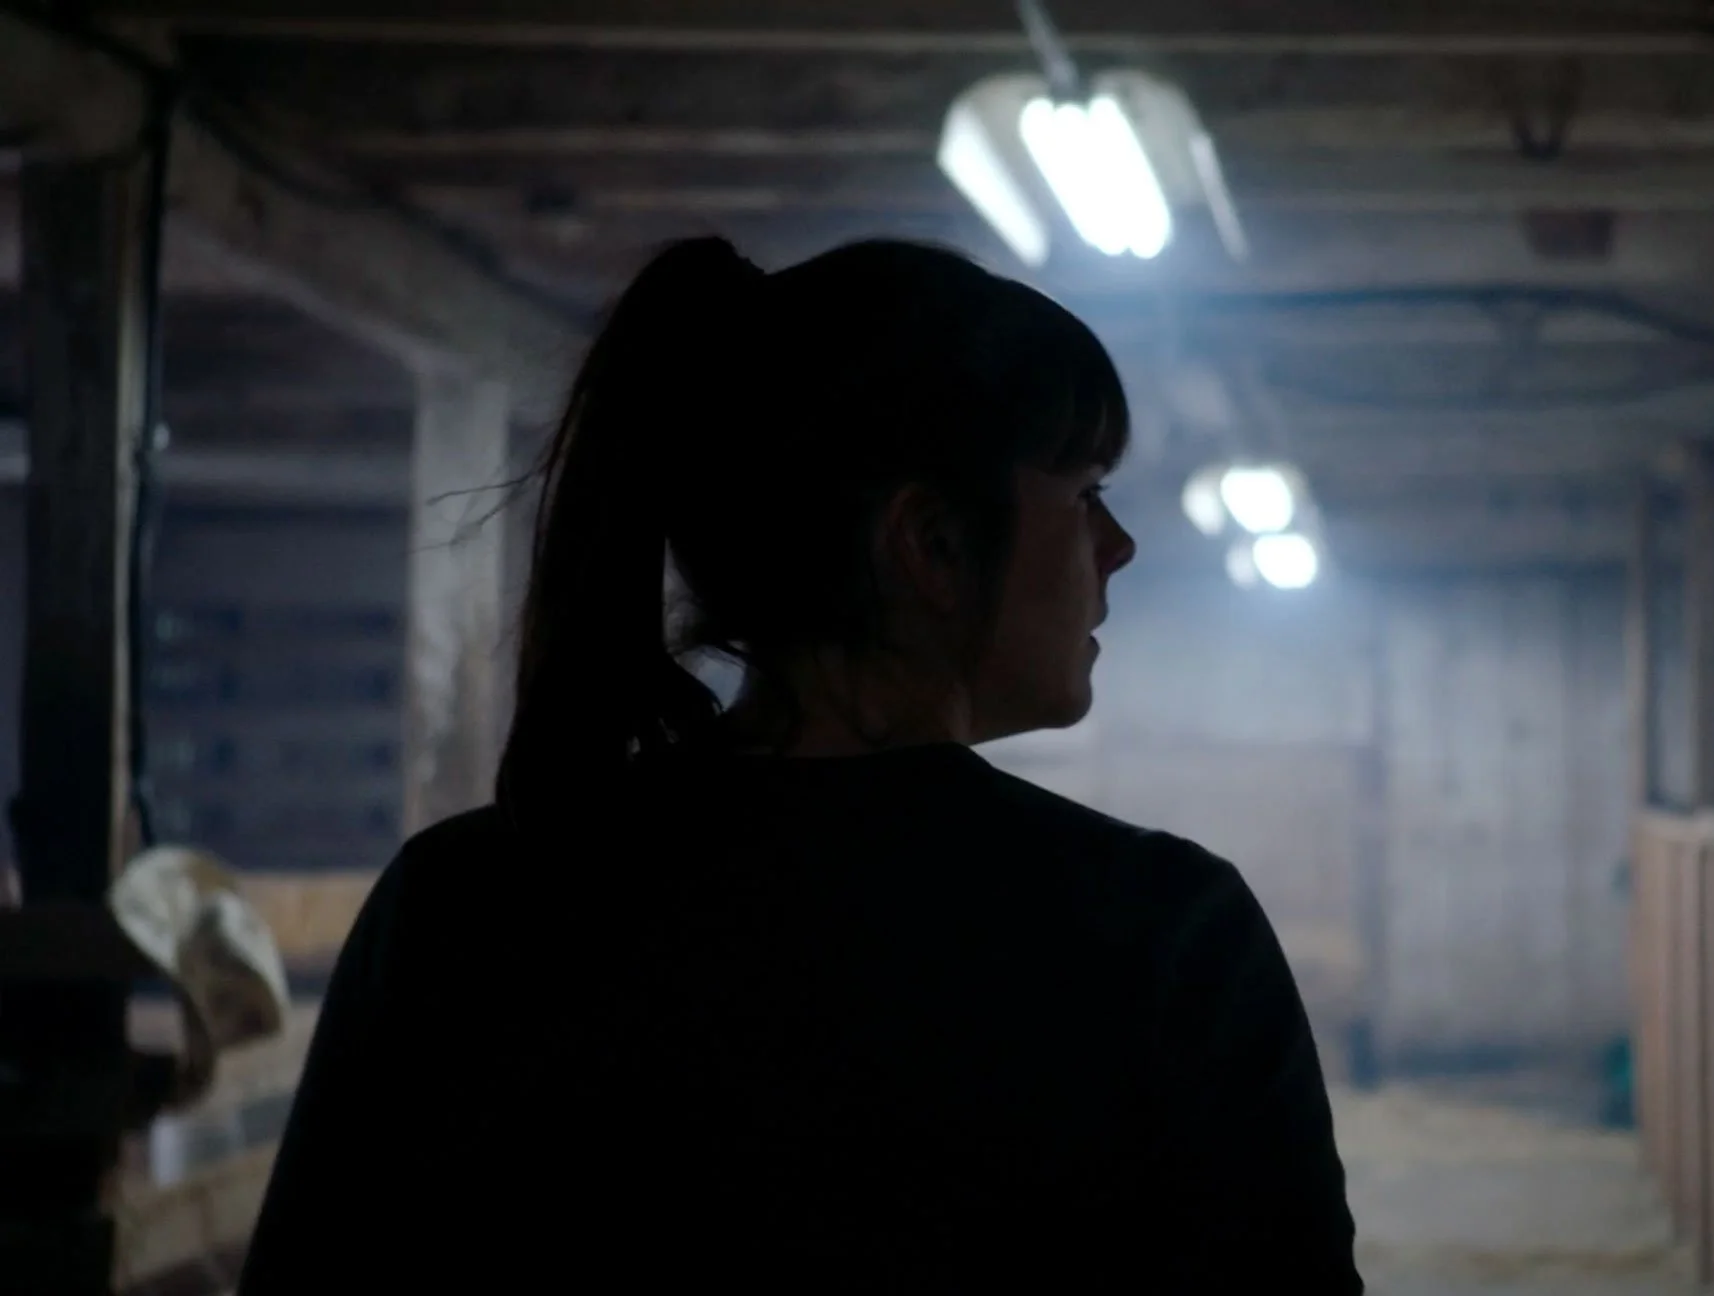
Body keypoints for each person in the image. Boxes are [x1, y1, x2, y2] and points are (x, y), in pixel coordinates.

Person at [238, 238, 1361, 1293]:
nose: (1116, 549)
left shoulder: (462, 906)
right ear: (929, 547)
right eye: (1084, 498)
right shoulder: (1160, 939)